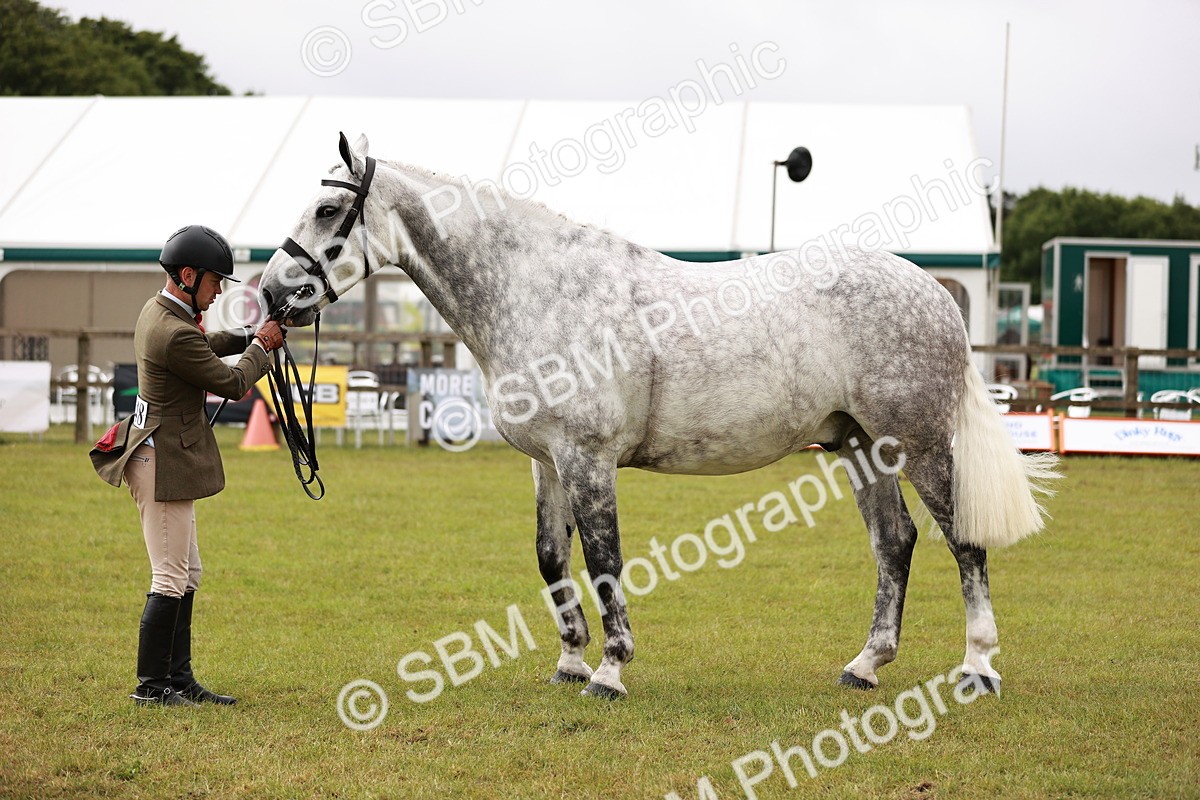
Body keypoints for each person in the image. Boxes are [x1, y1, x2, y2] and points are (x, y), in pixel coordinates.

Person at [90, 224, 285, 707]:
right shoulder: (173, 331)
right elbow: (232, 384)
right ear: (189, 275)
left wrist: (247, 336)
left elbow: (204, 343)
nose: (218, 292)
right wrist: (261, 347)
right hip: (162, 460)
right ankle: (152, 686)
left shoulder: (161, 311)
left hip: (166, 454)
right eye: (215, 281)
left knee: (188, 572)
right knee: (170, 577)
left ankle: (179, 679)